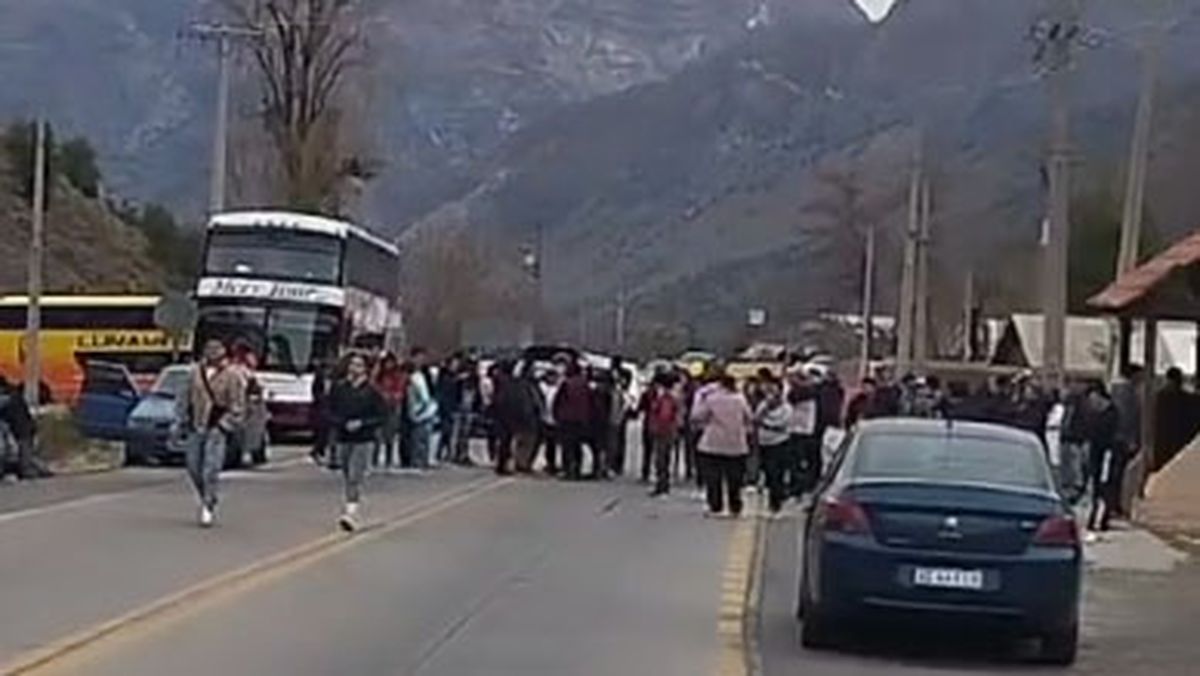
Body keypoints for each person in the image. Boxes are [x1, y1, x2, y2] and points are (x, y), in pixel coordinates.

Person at [175, 339, 247, 528]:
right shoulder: (194, 373)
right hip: (196, 425)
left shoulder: (232, 375)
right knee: (193, 466)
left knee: (211, 468)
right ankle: (206, 495)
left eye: (217, 353)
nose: (213, 356)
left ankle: (207, 505)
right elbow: (184, 397)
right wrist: (180, 419)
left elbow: (238, 405)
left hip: (216, 427)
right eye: (209, 352)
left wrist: (225, 425)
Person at [327, 353, 387, 532]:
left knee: (355, 476)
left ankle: (350, 513)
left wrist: (362, 423)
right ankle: (352, 503)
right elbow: (329, 410)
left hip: (364, 439)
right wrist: (341, 423)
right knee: (347, 475)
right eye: (352, 365)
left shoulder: (372, 391)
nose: (354, 368)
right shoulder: (339, 388)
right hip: (344, 437)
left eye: (359, 365)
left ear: (365, 369)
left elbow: (381, 416)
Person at [691, 372, 752, 518]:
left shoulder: (712, 399)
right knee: (734, 478)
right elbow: (749, 416)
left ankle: (716, 506)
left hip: (713, 443)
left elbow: (696, 416)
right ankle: (735, 505)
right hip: (736, 444)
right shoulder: (740, 399)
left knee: (713, 477)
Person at [1084, 382, 1121, 535]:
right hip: (1095, 454)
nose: (1091, 403)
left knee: (1105, 487)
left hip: (1107, 454)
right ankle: (1093, 519)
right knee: (1095, 487)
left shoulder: (1112, 414)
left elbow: (1114, 436)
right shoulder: (1094, 414)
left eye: (1093, 399)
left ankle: (1102, 519)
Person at [755, 375, 793, 515]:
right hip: (764, 442)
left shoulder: (786, 407)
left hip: (780, 442)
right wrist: (764, 412)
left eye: (775, 389)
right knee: (768, 473)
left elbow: (782, 424)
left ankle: (776, 502)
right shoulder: (763, 405)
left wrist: (766, 423)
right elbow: (756, 418)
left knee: (777, 473)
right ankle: (773, 498)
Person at [1110, 365, 1144, 517]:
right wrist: (1131, 438)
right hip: (1123, 439)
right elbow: (1128, 417)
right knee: (1119, 472)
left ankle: (1113, 503)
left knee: (1115, 472)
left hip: (1116, 437)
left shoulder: (1116, 389)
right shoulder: (1127, 392)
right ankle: (1115, 504)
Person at [553, 361, 592, 481]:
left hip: (566, 419)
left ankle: (567, 470)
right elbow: (590, 402)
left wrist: (556, 415)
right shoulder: (585, 385)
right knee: (577, 445)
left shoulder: (566, 384)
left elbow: (558, 401)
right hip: (580, 419)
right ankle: (577, 469)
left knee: (567, 446)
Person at [645, 372, 681, 496]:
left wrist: (657, 428)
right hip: (669, 431)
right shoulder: (672, 397)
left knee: (661, 460)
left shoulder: (666, 398)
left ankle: (662, 485)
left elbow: (664, 416)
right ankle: (663, 485)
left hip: (663, 432)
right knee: (665, 459)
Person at [787, 370, 821, 496]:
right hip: (802, 430)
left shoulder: (806, 392)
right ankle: (799, 485)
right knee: (798, 462)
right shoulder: (810, 392)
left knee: (798, 461)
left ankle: (799, 487)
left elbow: (792, 398)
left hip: (802, 431)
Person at [405, 349, 439, 471]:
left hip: (427, 407)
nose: (421, 360)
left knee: (425, 436)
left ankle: (423, 460)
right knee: (416, 436)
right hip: (415, 407)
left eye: (423, 358)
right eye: (418, 357)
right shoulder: (409, 373)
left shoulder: (426, 374)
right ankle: (415, 460)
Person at [374, 354, 407, 471]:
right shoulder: (378, 376)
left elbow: (400, 390)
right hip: (379, 409)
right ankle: (374, 460)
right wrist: (382, 394)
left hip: (392, 408)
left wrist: (394, 396)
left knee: (390, 436)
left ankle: (389, 460)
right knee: (377, 435)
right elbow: (374, 386)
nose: (389, 365)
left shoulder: (397, 376)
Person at [538, 367, 562, 475]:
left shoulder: (558, 390)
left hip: (557, 420)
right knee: (549, 444)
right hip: (546, 419)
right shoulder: (543, 388)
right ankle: (550, 463)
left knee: (556, 444)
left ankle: (556, 463)